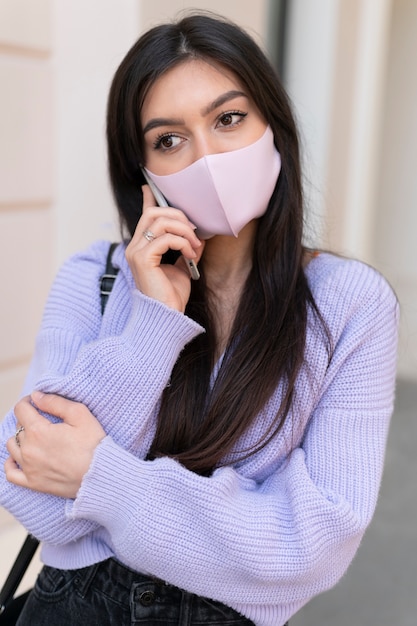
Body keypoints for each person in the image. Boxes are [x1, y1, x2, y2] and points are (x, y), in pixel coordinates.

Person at [0, 12, 398, 626]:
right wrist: (154, 322)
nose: (207, 157)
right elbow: (31, 493)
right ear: (143, 174)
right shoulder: (95, 279)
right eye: (168, 139)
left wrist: (103, 480)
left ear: (274, 127)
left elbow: (309, 546)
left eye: (229, 119)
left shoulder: (350, 305)